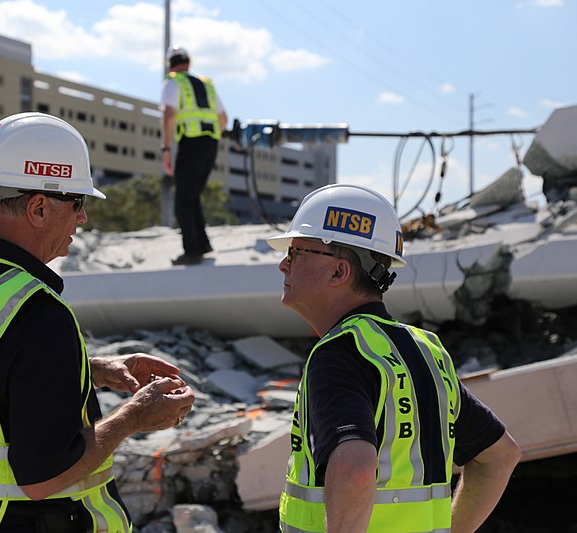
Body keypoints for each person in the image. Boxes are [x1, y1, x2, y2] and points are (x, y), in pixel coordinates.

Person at [0, 112, 195, 533]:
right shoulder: (38, 313)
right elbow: (44, 475)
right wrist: (134, 417)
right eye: (78, 203)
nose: (82, 219)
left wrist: (88, 369)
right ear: (38, 207)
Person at [268, 184, 521, 533]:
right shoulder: (425, 350)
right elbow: (500, 456)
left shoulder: (340, 354)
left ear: (339, 272)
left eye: (297, 252)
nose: (284, 265)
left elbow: (356, 470)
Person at [160, 45, 228, 266]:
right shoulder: (206, 84)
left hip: (191, 142)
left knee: (183, 199)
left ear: (170, 65)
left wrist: (166, 149)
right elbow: (223, 119)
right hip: (211, 143)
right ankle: (202, 243)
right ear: (188, 62)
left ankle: (192, 252)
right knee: (193, 195)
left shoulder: (173, 82)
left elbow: (169, 115)